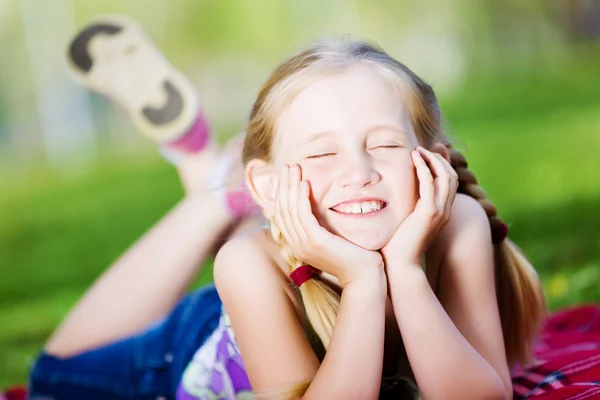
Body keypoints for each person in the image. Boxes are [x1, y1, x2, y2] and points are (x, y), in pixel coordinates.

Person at [29, 16, 547, 400]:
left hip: (290, 236)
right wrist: (367, 283)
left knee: (317, 204)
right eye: (322, 153)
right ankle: (217, 193)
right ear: (271, 185)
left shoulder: (456, 224)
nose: (358, 171)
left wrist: (406, 272)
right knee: (50, 378)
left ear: (431, 163)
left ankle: (220, 181)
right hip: (195, 343)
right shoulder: (245, 265)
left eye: (385, 144)